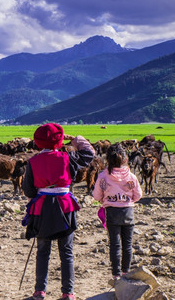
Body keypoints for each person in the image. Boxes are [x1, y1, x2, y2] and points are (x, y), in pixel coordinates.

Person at [22, 123, 95, 300]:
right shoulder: (68, 157)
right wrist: (74, 139)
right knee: (67, 252)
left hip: (42, 209)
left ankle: (40, 291)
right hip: (65, 207)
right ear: (60, 140)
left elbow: (29, 191)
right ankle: (68, 293)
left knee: (43, 251)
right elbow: (89, 153)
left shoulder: (33, 162)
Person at [92, 143, 142, 282]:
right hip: (128, 212)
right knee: (127, 244)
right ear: (125, 159)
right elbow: (138, 195)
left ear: (108, 159)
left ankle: (116, 274)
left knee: (115, 244)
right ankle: (126, 271)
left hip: (112, 212)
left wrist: (105, 199)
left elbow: (96, 196)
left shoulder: (103, 176)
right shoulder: (131, 177)